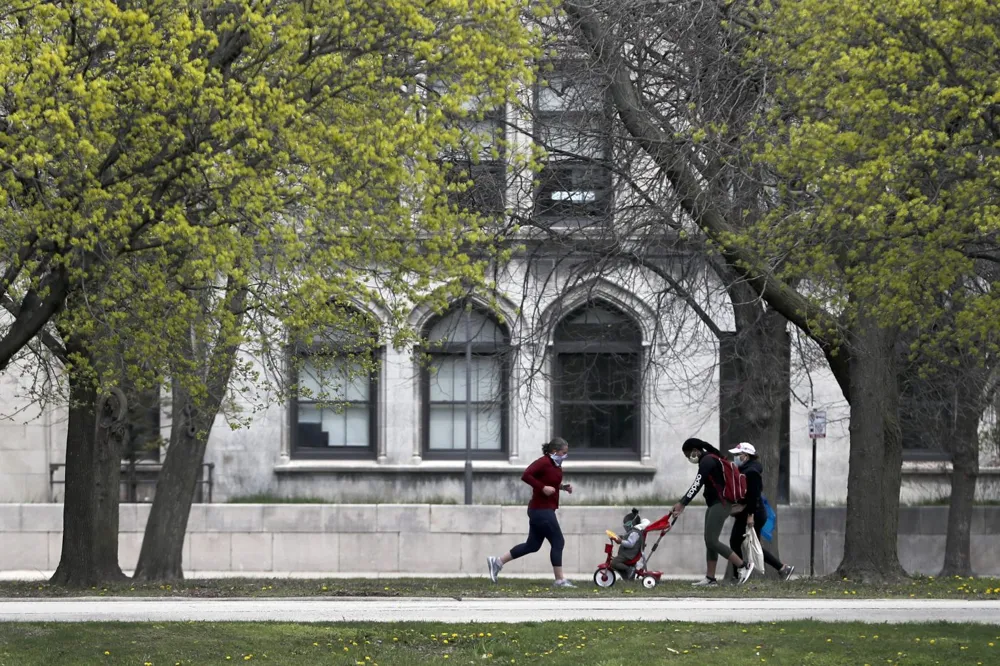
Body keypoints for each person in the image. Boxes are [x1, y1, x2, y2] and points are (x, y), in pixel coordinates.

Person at [487, 437, 575, 587]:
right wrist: (542, 488)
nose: (565, 455)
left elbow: (549, 481)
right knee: (558, 541)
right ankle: (560, 580)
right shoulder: (544, 462)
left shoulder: (555, 464)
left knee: (532, 545)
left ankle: (497, 562)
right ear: (554, 451)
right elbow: (526, 475)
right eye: (563, 452)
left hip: (541, 509)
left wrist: (562, 487)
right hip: (541, 510)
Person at [671, 437, 755, 586]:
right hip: (714, 504)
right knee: (709, 541)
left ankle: (743, 565)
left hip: (720, 504)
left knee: (712, 540)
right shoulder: (708, 459)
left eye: (688, 455)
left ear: (695, 451)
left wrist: (682, 503)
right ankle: (710, 578)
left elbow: (697, 483)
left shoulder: (707, 461)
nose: (689, 458)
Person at [727, 442, 795, 581]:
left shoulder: (751, 472)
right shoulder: (745, 469)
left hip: (753, 513)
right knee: (752, 545)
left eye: (738, 454)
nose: (735, 457)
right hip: (751, 512)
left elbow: (754, 496)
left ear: (746, 456)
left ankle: (738, 574)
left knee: (735, 542)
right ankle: (782, 568)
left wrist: (750, 516)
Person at [609, 509, 645, 580]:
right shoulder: (632, 532)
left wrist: (621, 541)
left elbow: (630, 543)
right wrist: (620, 537)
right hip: (627, 554)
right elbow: (628, 539)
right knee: (615, 563)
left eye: (626, 523)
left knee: (614, 563)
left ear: (632, 523)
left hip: (628, 555)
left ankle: (629, 569)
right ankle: (626, 576)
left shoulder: (635, 533)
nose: (625, 525)